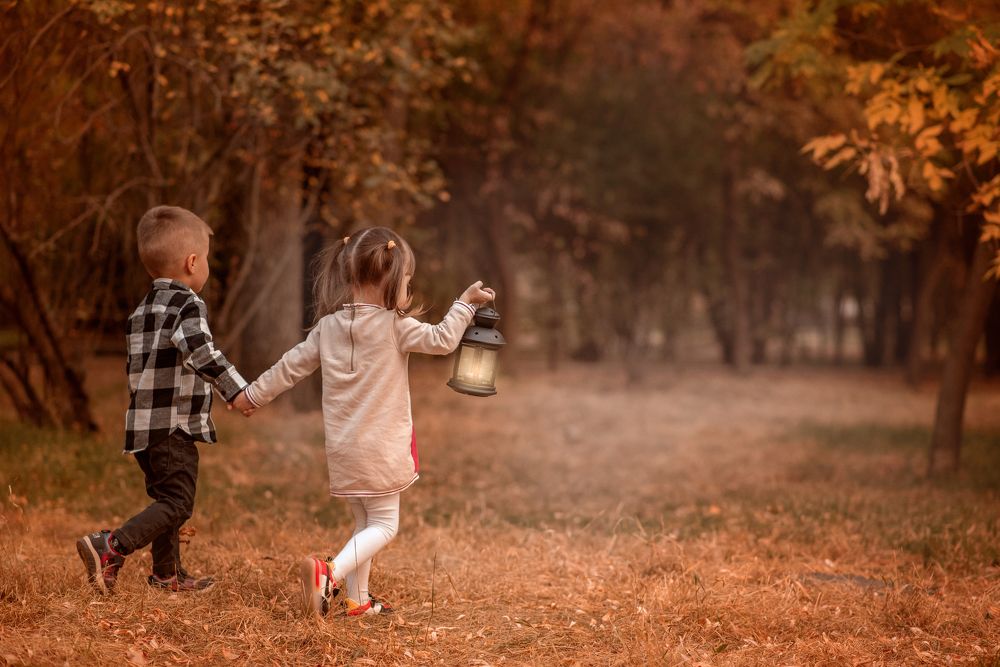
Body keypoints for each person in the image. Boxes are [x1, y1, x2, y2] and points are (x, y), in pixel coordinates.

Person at [232, 227, 494, 617]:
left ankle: (358, 600)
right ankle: (329, 574)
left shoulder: (327, 328)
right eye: (407, 280)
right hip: (380, 450)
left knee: (364, 523)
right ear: (389, 280)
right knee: (385, 525)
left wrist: (253, 394)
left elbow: (291, 366)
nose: (408, 289)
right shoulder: (394, 325)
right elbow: (442, 340)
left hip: (343, 450)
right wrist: (465, 304)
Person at [76, 206, 248, 593]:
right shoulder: (187, 304)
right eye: (205, 260)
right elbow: (201, 352)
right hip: (172, 427)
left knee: (166, 499)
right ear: (191, 262)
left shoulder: (141, 311)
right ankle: (112, 546)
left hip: (143, 429)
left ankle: (166, 575)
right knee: (178, 503)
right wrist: (236, 389)